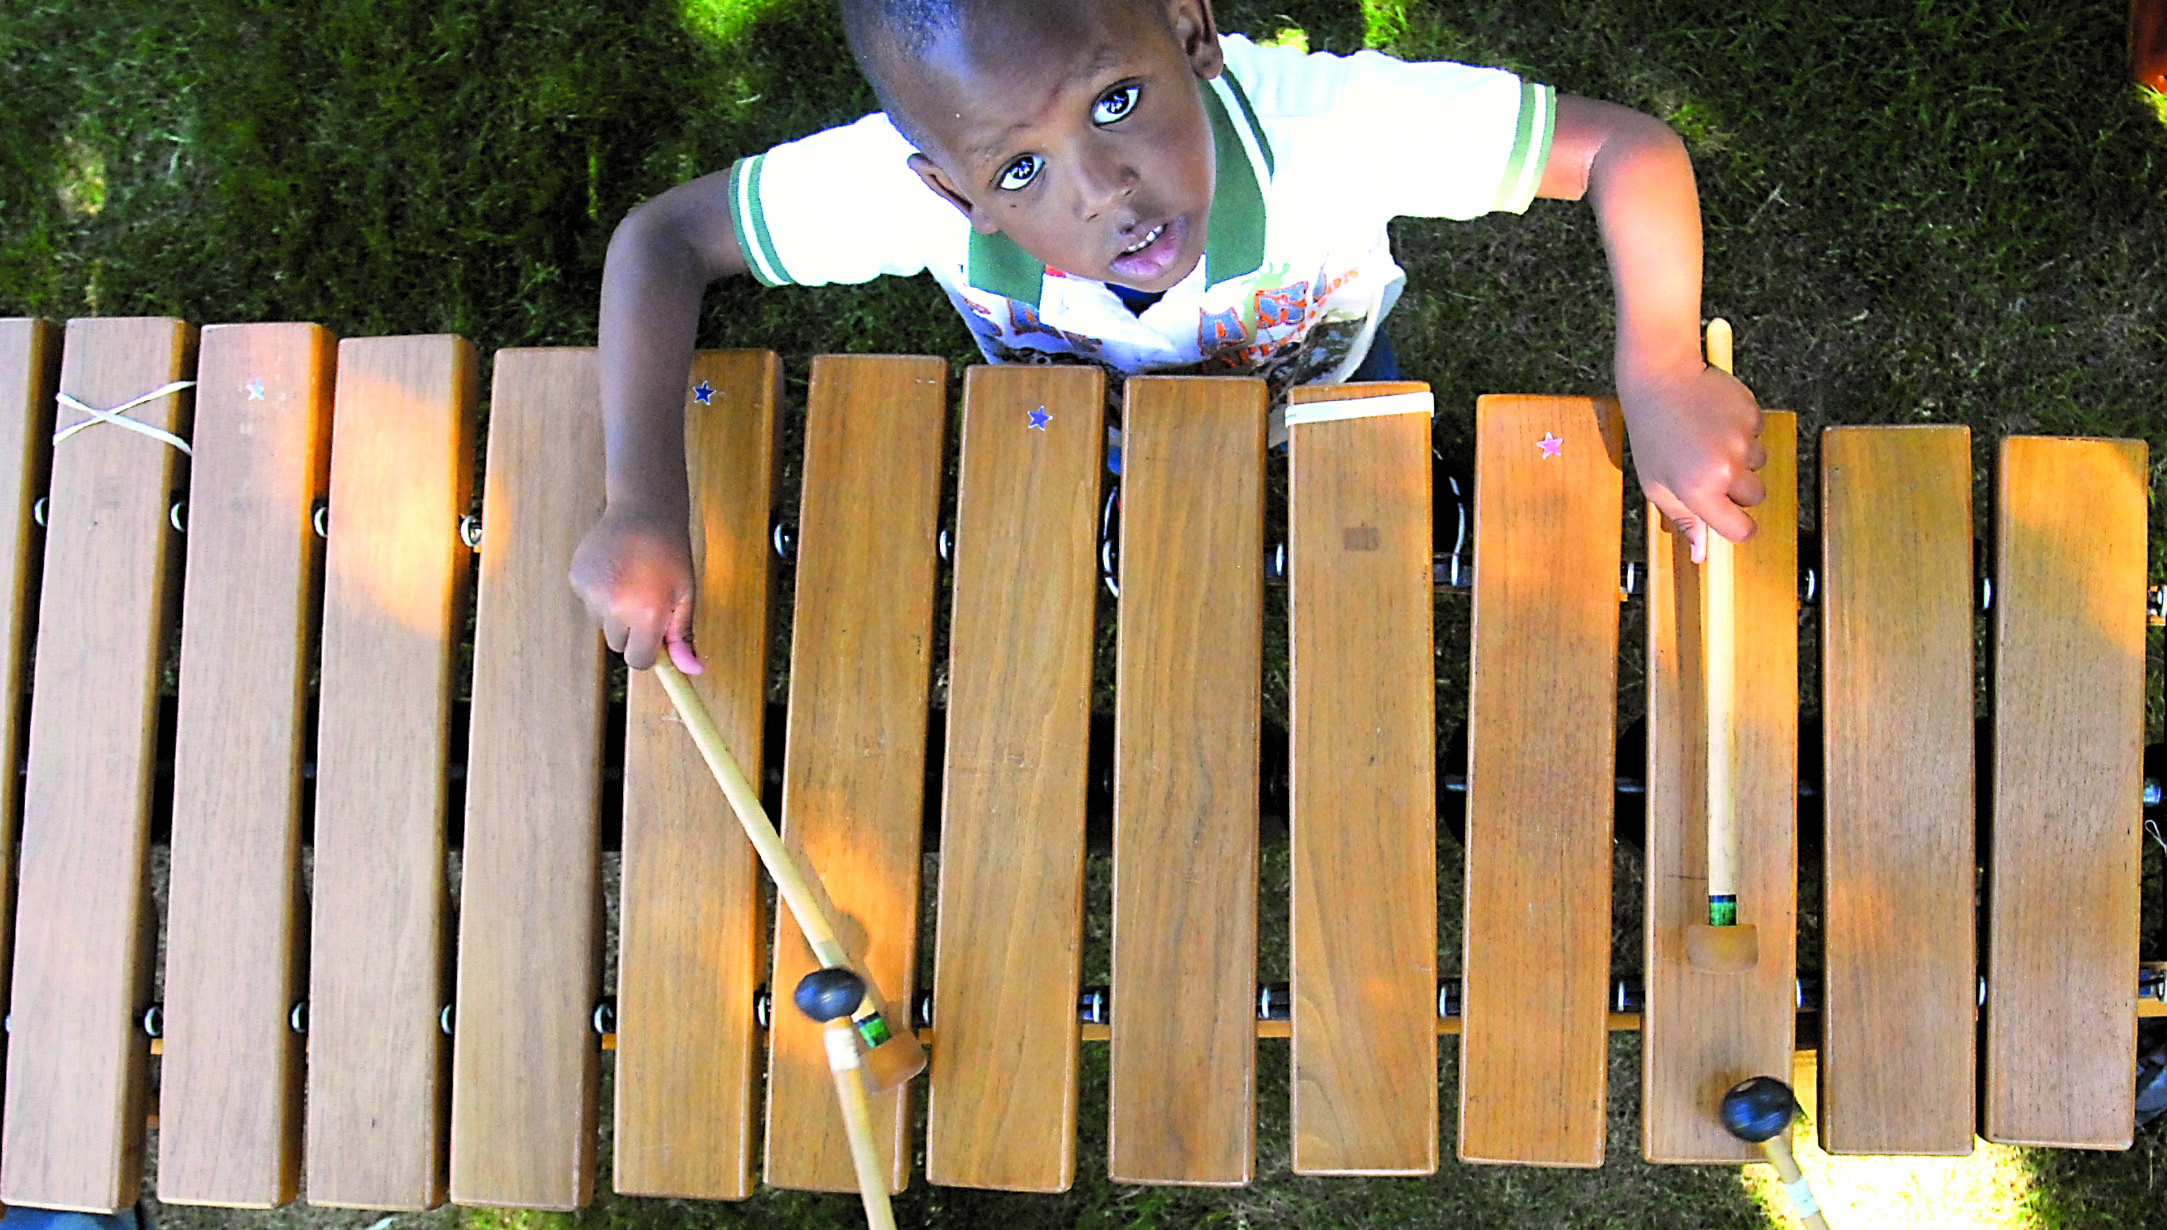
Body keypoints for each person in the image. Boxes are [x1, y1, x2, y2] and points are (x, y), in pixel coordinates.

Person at [571, 0, 1766, 670]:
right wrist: (642, 503)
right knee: (1136, 509)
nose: (1104, 190)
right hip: (1096, 430)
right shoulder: (898, 191)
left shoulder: (1329, 129)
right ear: (948, 190)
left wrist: (1658, 362)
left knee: (1371, 478)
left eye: (1115, 100)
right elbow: (664, 242)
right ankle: (1135, 524)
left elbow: (1628, 150)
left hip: (1332, 389)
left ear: (1188, 26)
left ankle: (1419, 511)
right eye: (1023, 167)